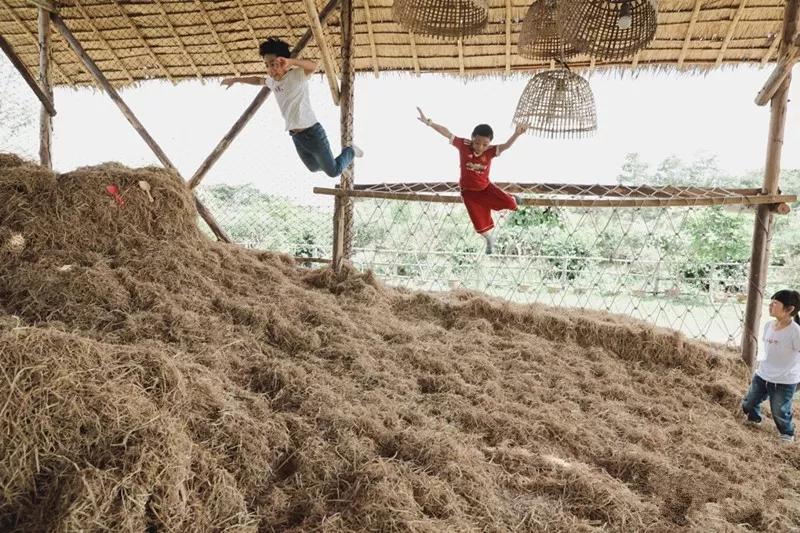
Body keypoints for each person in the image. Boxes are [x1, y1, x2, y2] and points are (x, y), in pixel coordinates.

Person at [222, 38, 362, 177]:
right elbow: (258, 80)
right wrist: (236, 79)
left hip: (312, 132)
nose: (270, 69)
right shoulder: (272, 82)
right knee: (313, 168)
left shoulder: (297, 75)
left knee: (333, 172)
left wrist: (292, 62)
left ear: (283, 62)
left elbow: (313, 66)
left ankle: (350, 152)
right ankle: (340, 163)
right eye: (267, 65)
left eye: (274, 64)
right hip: (296, 136)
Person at [416, 107, 526, 254]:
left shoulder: (490, 151)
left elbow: (505, 146)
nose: (480, 147)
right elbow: (447, 133)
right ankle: (488, 239)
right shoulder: (464, 145)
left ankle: (511, 197)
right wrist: (429, 122)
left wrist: (516, 134)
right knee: (479, 223)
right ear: (472, 138)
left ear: (489, 143)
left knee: (510, 203)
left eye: (485, 144)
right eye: (477, 142)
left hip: (486, 188)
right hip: (468, 192)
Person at [741, 289, 800, 443]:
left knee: (779, 410)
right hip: (763, 374)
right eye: (771, 302)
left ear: (789, 309)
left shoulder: (795, 332)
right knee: (749, 401)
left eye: (775, 303)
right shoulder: (768, 325)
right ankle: (753, 420)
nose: (770, 305)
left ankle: (787, 434)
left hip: (784, 379)